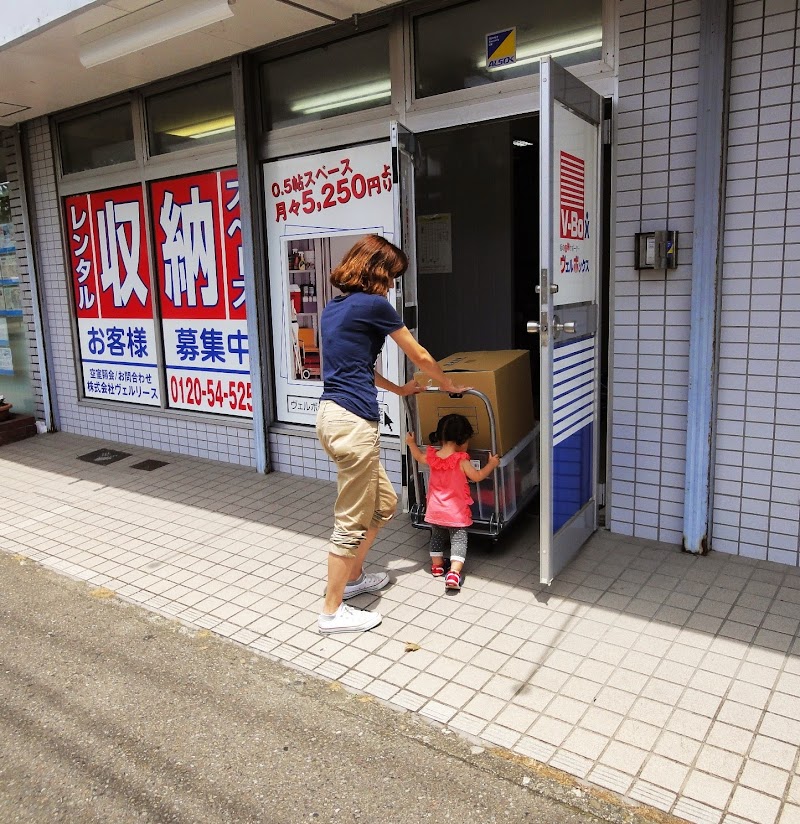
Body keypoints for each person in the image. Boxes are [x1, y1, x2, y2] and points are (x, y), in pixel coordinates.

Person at [316, 234, 469, 634]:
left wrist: (400, 390)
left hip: (332, 417)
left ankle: (353, 578)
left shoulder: (334, 308)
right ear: (379, 271)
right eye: (393, 276)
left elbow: (358, 367)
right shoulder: (374, 305)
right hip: (352, 423)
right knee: (351, 520)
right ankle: (331, 611)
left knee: (384, 503)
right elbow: (419, 354)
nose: (393, 284)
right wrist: (448, 385)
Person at [405, 414, 500, 591]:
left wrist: (411, 443)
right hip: (455, 513)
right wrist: (492, 464)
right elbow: (477, 476)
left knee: (437, 536)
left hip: (434, 510)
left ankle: (437, 566)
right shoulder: (461, 460)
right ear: (462, 440)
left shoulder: (433, 457)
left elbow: (418, 457)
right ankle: (454, 573)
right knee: (459, 540)